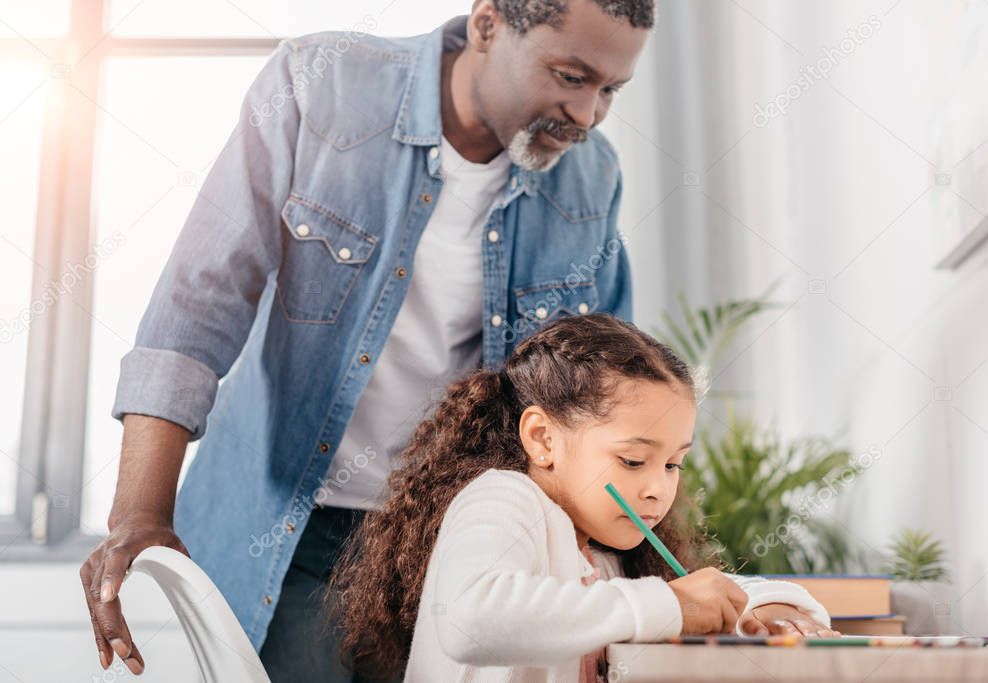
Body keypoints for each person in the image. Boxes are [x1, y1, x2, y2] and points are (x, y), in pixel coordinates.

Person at [79, 1, 658, 680]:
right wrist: (140, 513)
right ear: (487, 25)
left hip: (453, 537)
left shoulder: (591, 181)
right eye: (569, 76)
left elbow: (599, 394)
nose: (586, 115)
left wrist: (601, 569)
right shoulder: (318, 89)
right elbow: (200, 299)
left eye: (609, 91)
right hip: (291, 524)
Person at [331, 314, 838, 681]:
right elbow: (470, 619)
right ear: (544, 439)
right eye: (633, 461)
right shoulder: (503, 501)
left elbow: (703, 592)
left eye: (673, 464)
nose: (657, 487)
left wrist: (771, 607)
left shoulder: (607, 556)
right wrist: (668, 604)